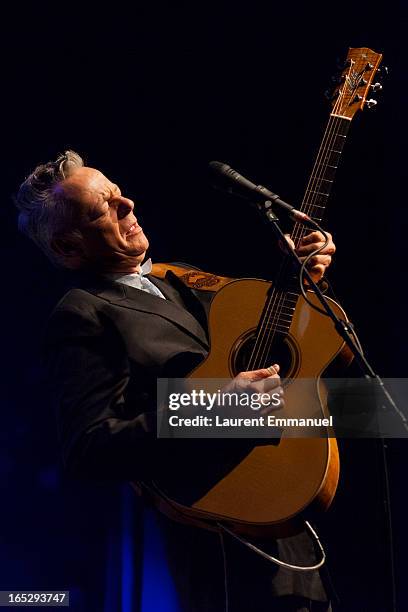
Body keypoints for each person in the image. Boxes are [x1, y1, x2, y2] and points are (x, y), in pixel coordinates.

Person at [16, 150, 337, 612]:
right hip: (218, 536)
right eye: (101, 208)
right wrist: (213, 409)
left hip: (290, 509)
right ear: (69, 247)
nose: (126, 205)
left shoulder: (183, 280)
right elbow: (88, 447)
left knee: (383, 409)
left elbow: (280, 351)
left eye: (118, 193)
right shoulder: (82, 311)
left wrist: (305, 278)